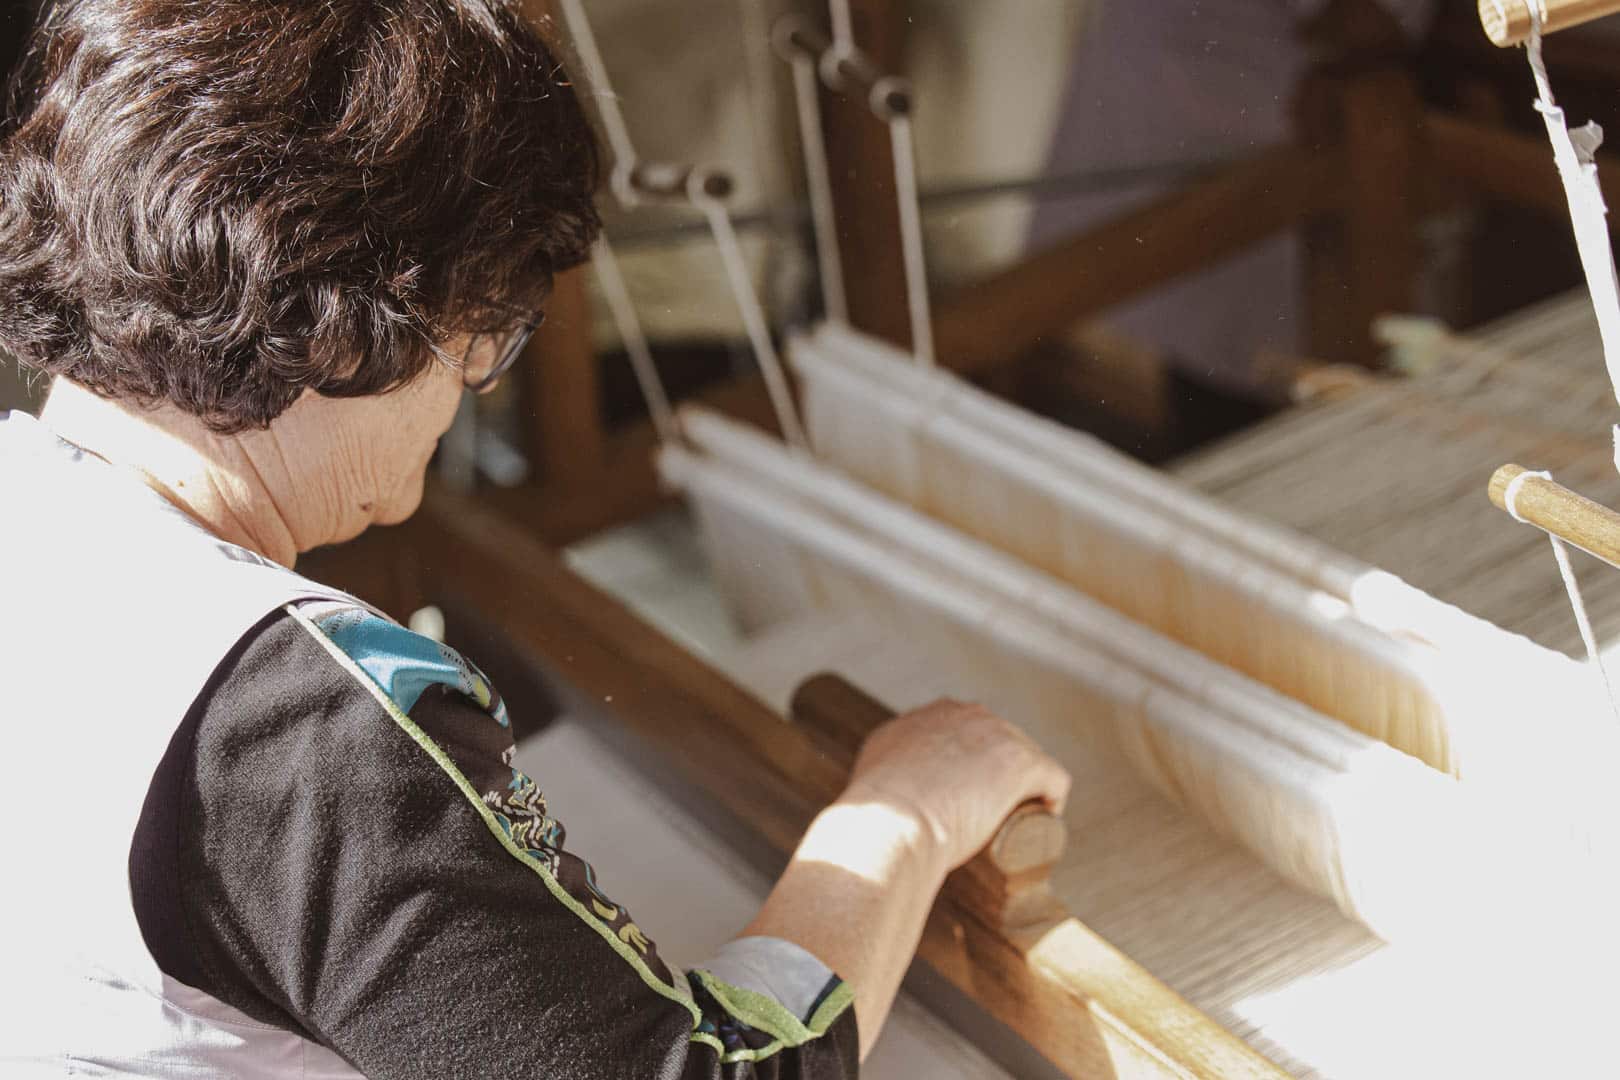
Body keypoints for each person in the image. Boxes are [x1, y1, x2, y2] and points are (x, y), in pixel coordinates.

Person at [0, 1, 1070, 1077]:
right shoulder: (304, 732)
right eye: (485, 336)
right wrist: (901, 815)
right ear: (343, 326)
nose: (472, 391)